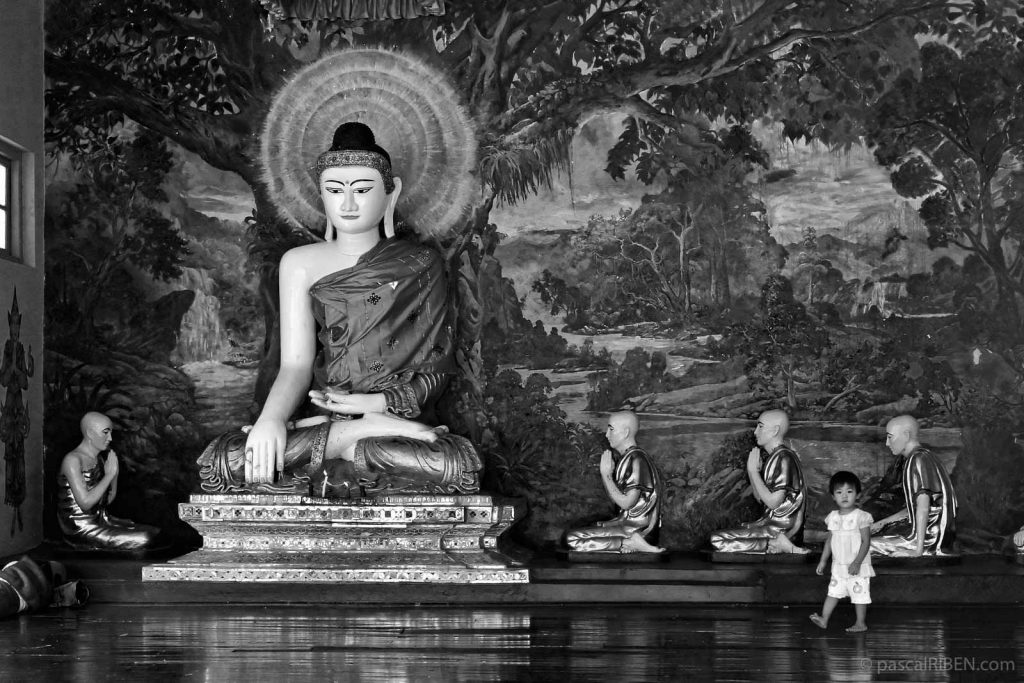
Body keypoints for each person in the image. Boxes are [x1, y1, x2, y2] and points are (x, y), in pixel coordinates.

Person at [198, 122, 481, 497]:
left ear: (389, 193)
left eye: (362, 190)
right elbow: (295, 366)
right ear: (321, 195)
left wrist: (375, 403)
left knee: (452, 463)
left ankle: (364, 432)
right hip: (329, 419)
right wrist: (271, 420)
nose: (347, 204)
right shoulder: (299, 263)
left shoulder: (420, 264)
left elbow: (436, 368)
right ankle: (360, 433)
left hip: (396, 418)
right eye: (334, 190)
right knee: (228, 459)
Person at [57, 412, 160, 551]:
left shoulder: (98, 459)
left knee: (155, 532)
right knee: (145, 537)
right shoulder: (73, 460)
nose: (110, 438)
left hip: (102, 521)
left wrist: (114, 476)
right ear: (90, 433)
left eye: (111, 432)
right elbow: (85, 504)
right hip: (82, 528)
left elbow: (105, 502)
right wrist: (108, 475)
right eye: (105, 432)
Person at [710, 409, 808, 554]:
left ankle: (777, 544)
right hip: (770, 524)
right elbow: (761, 500)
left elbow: (773, 502)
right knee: (723, 535)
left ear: (775, 430)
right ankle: (773, 543)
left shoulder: (784, 458)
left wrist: (754, 472)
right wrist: (752, 472)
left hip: (782, 529)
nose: (755, 432)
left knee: (717, 540)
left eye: (760, 426)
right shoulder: (775, 456)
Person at [565, 411, 664, 553]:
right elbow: (627, 512)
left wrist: (606, 475)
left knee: (572, 539)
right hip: (626, 526)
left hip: (638, 531)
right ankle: (627, 543)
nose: (606, 435)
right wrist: (607, 524)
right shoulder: (628, 457)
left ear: (625, 432)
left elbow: (627, 503)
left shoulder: (637, 459)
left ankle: (630, 543)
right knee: (576, 535)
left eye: (611, 429)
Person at [870, 415, 957, 556]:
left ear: (906, 435)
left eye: (890, 437)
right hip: (936, 535)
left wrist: (918, 551)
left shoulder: (917, 460)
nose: (887, 443)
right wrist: (881, 524)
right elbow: (915, 509)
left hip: (929, 540)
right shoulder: (927, 456)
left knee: (863, 546)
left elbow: (923, 507)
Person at [810, 471, 874, 633]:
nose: (844, 496)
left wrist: (857, 562)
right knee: (833, 592)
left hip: (857, 565)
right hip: (839, 565)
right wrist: (823, 560)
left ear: (858, 494)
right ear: (833, 496)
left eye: (849, 492)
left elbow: (866, 541)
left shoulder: (861, 517)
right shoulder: (832, 517)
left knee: (859, 595)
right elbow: (830, 541)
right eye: (839, 492)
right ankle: (824, 619)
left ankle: (861, 623)